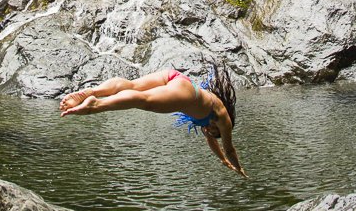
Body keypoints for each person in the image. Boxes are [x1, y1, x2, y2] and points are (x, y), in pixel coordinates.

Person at [60, 62, 245, 176]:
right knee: (144, 101)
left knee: (133, 85)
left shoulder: (212, 123)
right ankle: (97, 104)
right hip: (187, 94)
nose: (208, 131)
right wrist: (238, 168)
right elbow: (229, 148)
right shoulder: (224, 119)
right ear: (219, 128)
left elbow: (212, 142)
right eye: (212, 130)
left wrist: (222, 161)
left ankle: (93, 91)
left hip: (175, 77)